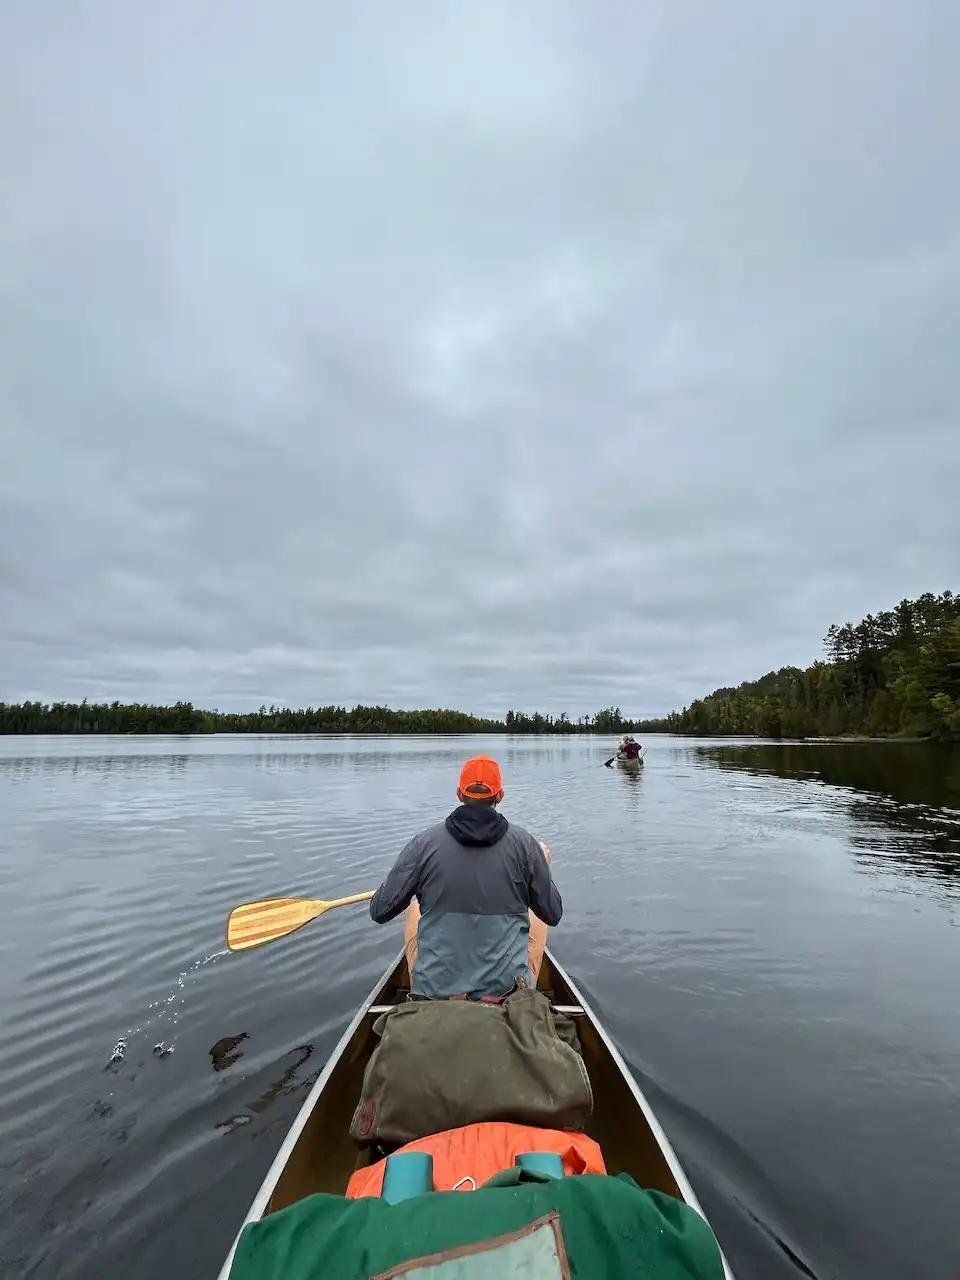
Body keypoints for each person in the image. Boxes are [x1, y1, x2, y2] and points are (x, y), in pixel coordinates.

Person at [369, 755, 562, 999]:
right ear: (500, 796)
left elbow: (379, 911)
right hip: (505, 995)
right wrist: (542, 866)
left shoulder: (423, 844)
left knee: (416, 909)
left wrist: (401, 884)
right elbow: (553, 913)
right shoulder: (526, 846)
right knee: (536, 916)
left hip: (436, 994)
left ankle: (425, 992)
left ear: (460, 795)